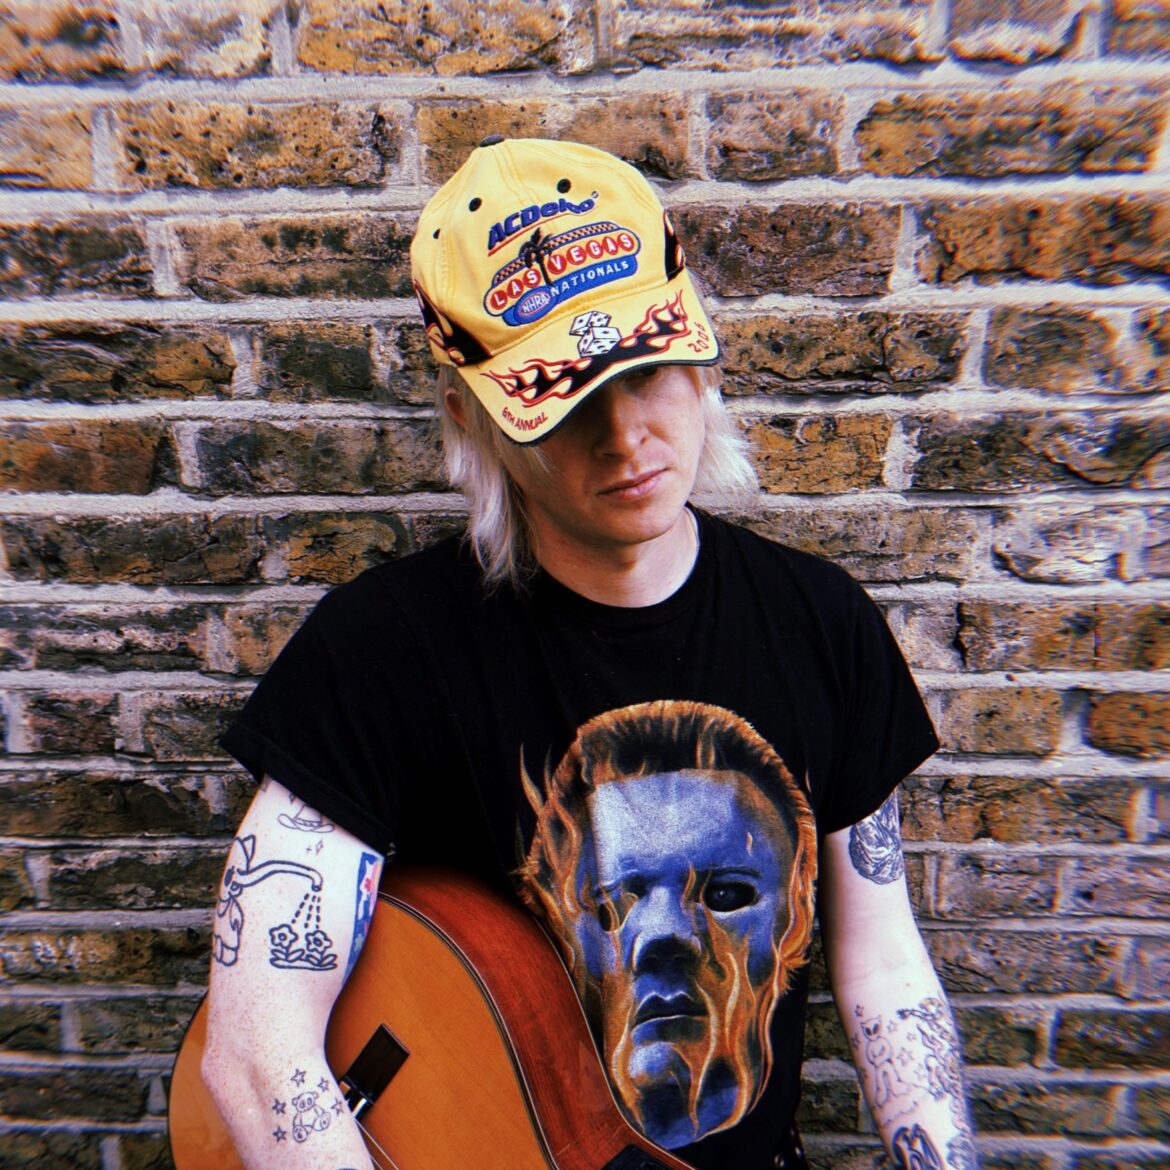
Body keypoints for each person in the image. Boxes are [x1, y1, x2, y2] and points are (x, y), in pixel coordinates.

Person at [200, 137, 979, 1170]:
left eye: (647, 370)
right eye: (563, 394)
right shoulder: (382, 652)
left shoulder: (820, 622)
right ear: (470, 415)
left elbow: (882, 971)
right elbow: (257, 1052)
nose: (623, 435)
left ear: (699, 359)